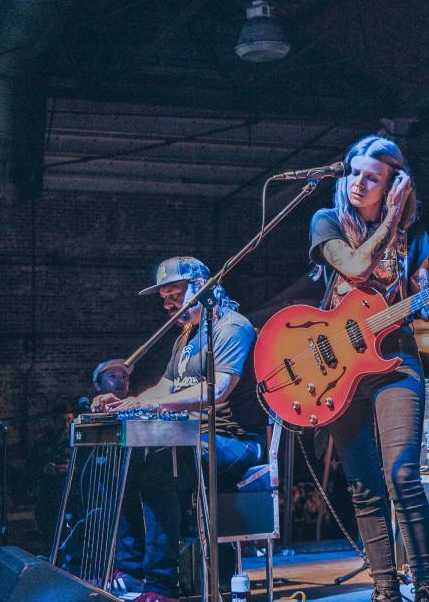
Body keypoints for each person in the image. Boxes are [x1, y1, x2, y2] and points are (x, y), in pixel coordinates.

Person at [309, 135, 429, 602]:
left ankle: (424, 587)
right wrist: (390, 218)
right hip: (339, 367)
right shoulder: (328, 222)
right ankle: (384, 589)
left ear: (395, 185)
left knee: (401, 474)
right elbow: (355, 268)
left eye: (371, 178)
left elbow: (425, 303)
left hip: (396, 360)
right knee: (362, 483)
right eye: (354, 173)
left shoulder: (415, 238)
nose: (358, 183)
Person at [91, 256, 265, 602]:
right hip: (195, 438)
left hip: (236, 441)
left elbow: (217, 390)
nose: (169, 304)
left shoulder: (232, 327)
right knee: (122, 460)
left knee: (157, 465)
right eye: (165, 299)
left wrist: (150, 405)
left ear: (201, 288)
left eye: (175, 294)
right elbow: (163, 389)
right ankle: (130, 570)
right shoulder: (186, 338)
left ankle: (160, 586)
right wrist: (126, 402)